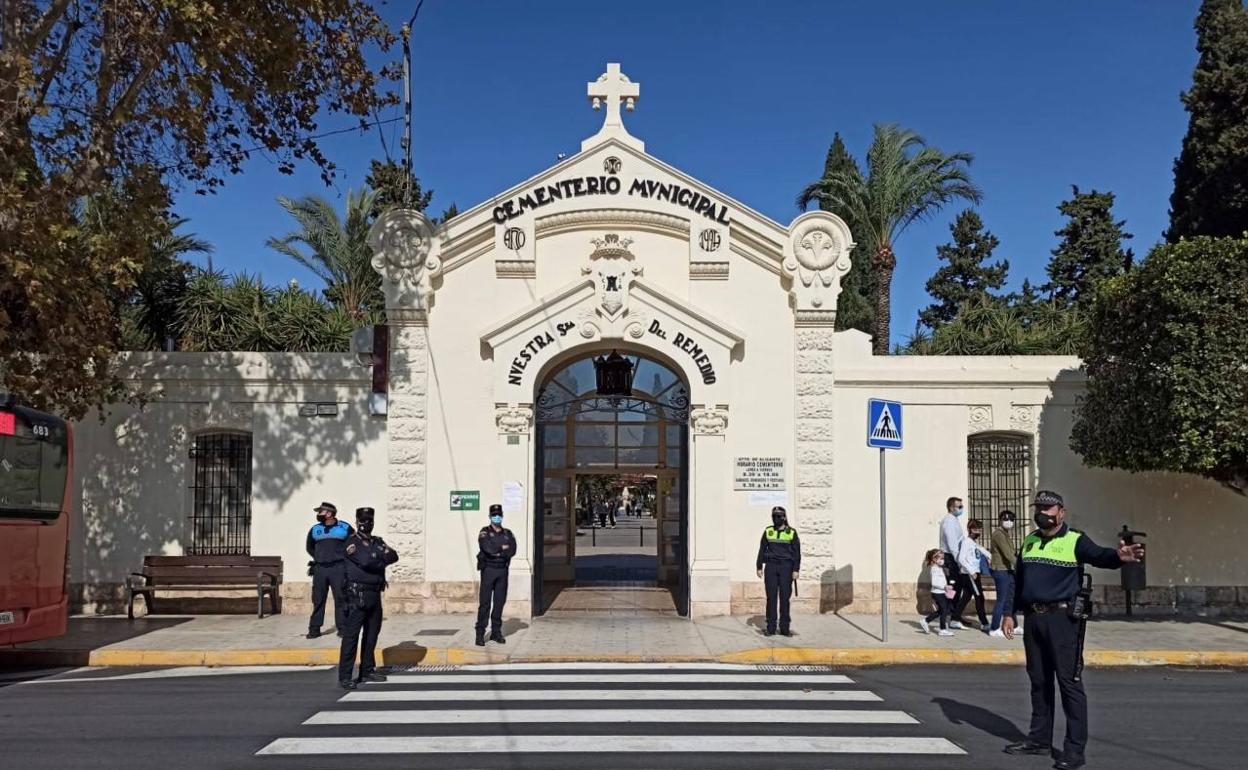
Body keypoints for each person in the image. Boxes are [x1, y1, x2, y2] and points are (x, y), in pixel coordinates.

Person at [1003, 490, 1143, 770]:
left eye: (1048, 509)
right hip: (1034, 619)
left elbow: (1099, 555)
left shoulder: (1074, 539)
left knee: (1069, 684)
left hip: (1063, 621)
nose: (1042, 513)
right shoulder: (1029, 541)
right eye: (1039, 508)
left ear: (1061, 512)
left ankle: (1074, 750)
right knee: (1039, 682)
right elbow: (1016, 581)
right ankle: (1039, 740)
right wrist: (1008, 613)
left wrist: (1118, 556)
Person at [337, 507, 399, 690]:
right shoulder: (351, 543)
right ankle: (345, 675)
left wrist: (377, 558)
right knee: (351, 637)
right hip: (357, 595)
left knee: (372, 634)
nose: (367, 524)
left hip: (374, 594)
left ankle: (367, 669)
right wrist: (380, 558)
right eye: (363, 521)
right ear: (356, 522)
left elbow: (394, 556)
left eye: (370, 521)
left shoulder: (377, 541)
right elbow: (365, 561)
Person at [305, 501, 353, 639]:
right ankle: (314, 629)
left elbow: (353, 545)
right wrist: (320, 557)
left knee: (341, 598)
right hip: (320, 568)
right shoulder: (315, 529)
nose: (318, 514)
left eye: (320, 512)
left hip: (339, 568)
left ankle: (343, 628)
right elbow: (309, 547)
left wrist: (345, 560)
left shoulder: (344, 527)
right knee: (318, 599)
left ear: (329, 513)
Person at [475, 504, 517, 646]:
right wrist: (501, 548)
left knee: (499, 603)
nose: (497, 517)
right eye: (494, 515)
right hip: (488, 570)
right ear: (490, 517)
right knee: (485, 603)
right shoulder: (484, 532)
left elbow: (512, 549)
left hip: (502, 571)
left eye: (499, 514)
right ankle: (480, 633)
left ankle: (496, 632)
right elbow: (487, 548)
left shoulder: (508, 533)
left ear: (502, 516)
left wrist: (498, 550)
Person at [755, 506, 801, 636]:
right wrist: (759, 566)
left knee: (785, 598)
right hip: (771, 567)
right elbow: (762, 549)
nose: (776, 519)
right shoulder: (768, 531)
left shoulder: (791, 532)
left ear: (784, 517)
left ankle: (785, 628)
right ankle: (770, 627)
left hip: (786, 567)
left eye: (778, 516)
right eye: (774, 516)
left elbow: (797, 553)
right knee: (771, 598)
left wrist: (796, 569)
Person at [938, 496, 970, 628]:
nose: (961, 509)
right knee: (953, 587)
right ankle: (948, 614)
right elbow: (952, 544)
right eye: (959, 507)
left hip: (954, 557)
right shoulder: (949, 522)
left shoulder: (954, 520)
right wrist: (959, 560)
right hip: (951, 558)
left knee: (957, 587)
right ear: (951, 507)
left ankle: (954, 615)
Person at [989, 510, 1020, 638]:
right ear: (1000, 520)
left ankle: (1015, 625)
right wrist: (1021, 566)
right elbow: (1008, 553)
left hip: (1007, 569)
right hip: (1000, 570)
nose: (1009, 521)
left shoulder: (1005, 534)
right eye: (1006, 519)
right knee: (1001, 599)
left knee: (1010, 599)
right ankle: (994, 628)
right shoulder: (998, 534)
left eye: (1012, 519)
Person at [956, 518, 992, 630]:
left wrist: (989, 556)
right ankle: (985, 623)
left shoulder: (973, 543)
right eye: (976, 529)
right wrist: (971, 572)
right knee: (979, 597)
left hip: (973, 573)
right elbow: (961, 559)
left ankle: (954, 619)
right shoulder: (966, 542)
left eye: (980, 529)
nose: (978, 532)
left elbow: (981, 550)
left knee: (966, 597)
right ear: (970, 529)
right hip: (970, 575)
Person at [920, 549, 955, 636]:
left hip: (942, 592)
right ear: (934, 559)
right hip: (937, 593)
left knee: (942, 610)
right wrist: (944, 587)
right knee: (944, 610)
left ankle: (926, 621)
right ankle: (942, 629)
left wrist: (947, 586)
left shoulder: (939, 568)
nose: (942, 560)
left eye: (943, 558)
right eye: (940, 558)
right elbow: (934, 583)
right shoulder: (934, 569)